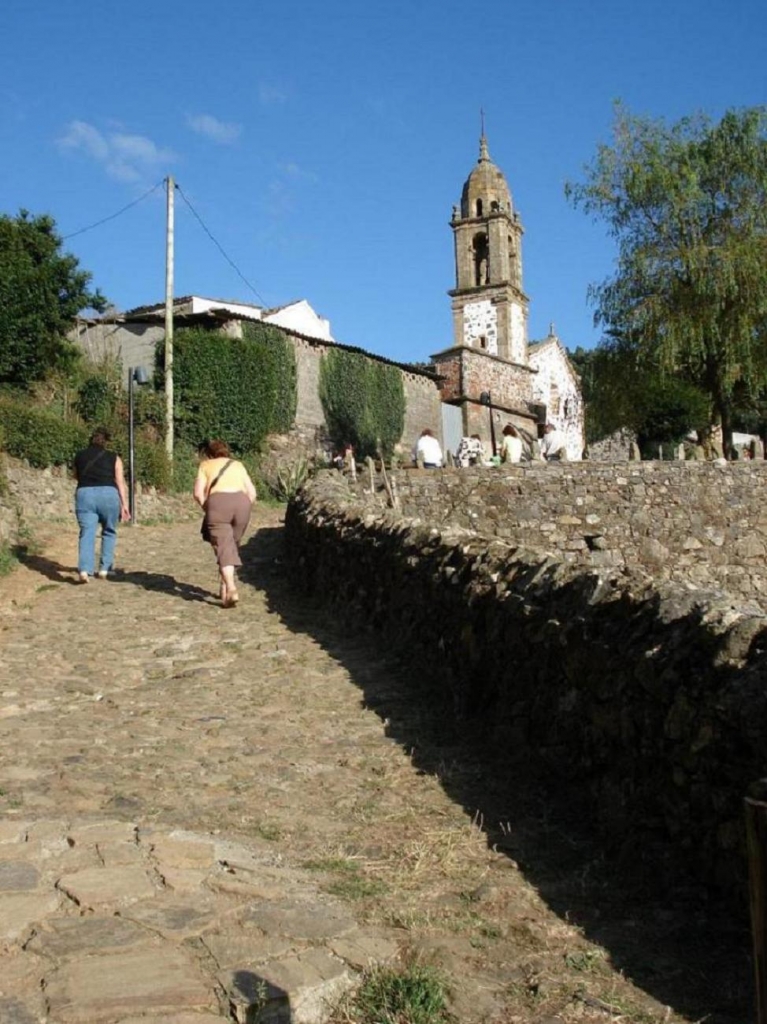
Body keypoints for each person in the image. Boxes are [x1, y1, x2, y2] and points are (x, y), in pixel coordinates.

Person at [193, 439, 257, 608]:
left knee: (223, 547)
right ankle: (224, 585)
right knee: (231, 547)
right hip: (242, 504)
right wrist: (244, 507)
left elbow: (198, 494)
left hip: (218, 503)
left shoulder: (206, 465)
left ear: (209, 453)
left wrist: (210, 508)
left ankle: (231, 587)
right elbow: (252, 493)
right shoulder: (238, 465)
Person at [73, 427, 130, 583]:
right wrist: (125, 504)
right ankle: (105, 569)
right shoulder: (114, 457)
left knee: (87, 532)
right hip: (108, 494)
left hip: (85, 494)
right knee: (109, 531)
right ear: (106, 441)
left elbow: (76, 476)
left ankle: (84, 570)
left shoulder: (79, 456)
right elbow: (120, 481)